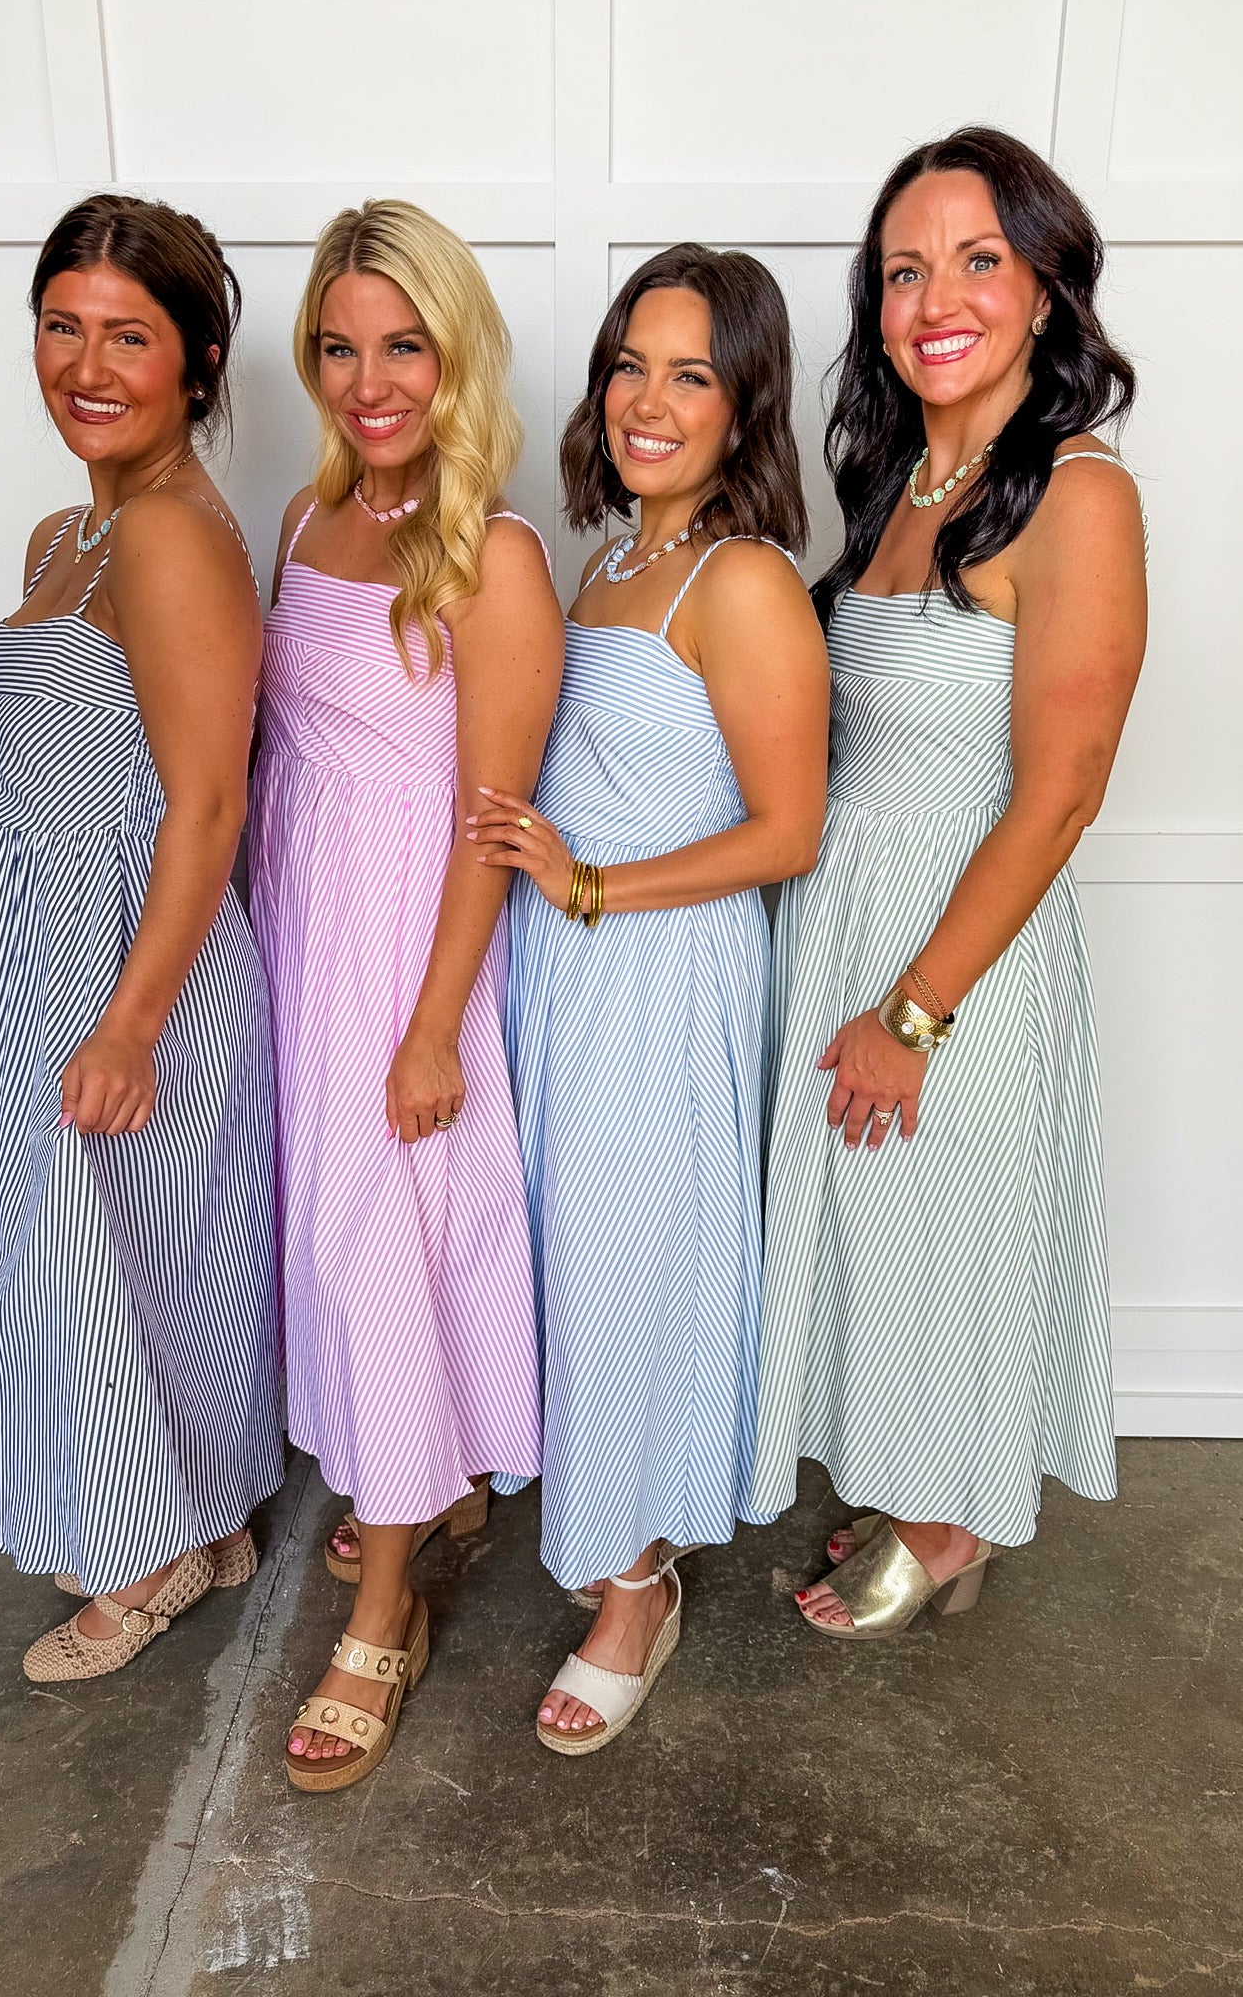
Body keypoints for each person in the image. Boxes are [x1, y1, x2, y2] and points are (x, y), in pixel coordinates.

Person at [751, 126, 1147, 1639]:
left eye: (979, 260)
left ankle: (950, 1519)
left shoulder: (1077, 495)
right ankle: (916, 1470)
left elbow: (1060, 794)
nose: (937, 299)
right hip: (847, 905)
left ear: (1045, 287)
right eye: (905, 270)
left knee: (947, 1235)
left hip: (959, 944)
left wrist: (914, 1009)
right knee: (885, 1233)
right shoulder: (898, 473)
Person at [472, 244, 828, 1752]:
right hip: (566, 975)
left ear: (745, 404)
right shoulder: (609, 562)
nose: (647, 400)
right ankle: (596, 1511)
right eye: (630, 364)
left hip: (659, 978)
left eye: (691, 373)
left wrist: (595, 886)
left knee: (633, 1276)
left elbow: (787, 831)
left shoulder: (741, 581)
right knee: (566, 1264)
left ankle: (636, 1587)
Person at [248, 200, 563, 1792]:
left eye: (404, 347)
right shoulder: (306, 521)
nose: (370, 382)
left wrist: (435, 1024)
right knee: (333, 1240)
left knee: (388, 1245)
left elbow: (489, 821)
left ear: (457, 355)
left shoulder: (492, 555)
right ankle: (419, 1478)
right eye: (339, 347)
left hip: (405, 951)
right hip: (301, 931)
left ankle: (384, 1614)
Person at [0, 195, 284, 1680]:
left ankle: (147, 1554)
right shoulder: (68, 533)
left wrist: (133, 1023)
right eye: (62, 327)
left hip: (132, 965)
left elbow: (208, 804)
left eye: (129, 338)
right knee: (132, 1263)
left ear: (199, 363)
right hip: (47, 949)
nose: (87, 367)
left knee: (100, 1264)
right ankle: (200, 1516)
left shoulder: (166, 539)